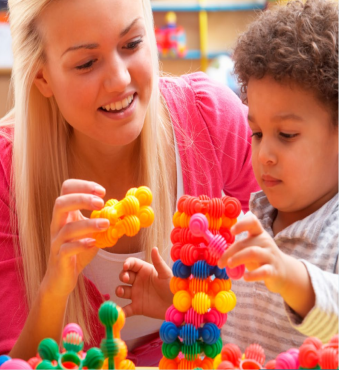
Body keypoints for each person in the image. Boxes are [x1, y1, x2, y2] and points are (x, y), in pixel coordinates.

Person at [0, 0, 259, 365]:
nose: (120, 79)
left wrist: (188, 310)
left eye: (132, 44)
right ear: (42, 76)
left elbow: (282, 298)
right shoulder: (6, 165)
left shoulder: (210, 118)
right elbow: (11, 358)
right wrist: (56, 287)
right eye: (87, 63)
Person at [120, 0, 338, 362]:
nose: (265, 153)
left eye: (286, 134)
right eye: (256, 133)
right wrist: (182, 306)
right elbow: (228, 324)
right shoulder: (243, 227)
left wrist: (288, 275)